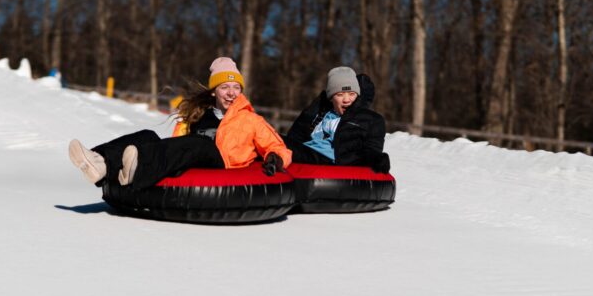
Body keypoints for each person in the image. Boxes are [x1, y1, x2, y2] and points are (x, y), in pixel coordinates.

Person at [68, 57, 292, 191]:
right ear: (215, 91)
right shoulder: (197, 114)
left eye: (236, 88)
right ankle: (101, 161)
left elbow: (278, 147)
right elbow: (176, 144)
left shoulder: (251, 120)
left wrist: (275, 158)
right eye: (225, 87)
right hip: (190, 157)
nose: (231, 93)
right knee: (148, 136)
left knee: (200, 144)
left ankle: (138, 167)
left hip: (222, 164)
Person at [282, 66, 391, 173]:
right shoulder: (321, 112)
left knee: (276, 142)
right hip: (304, 153)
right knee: (272, 138)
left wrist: (376, 158)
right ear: (331, 97)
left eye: (352, 94)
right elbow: (296, 135)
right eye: (340, 94)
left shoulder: (368, 119)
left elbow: (370, 148)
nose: (346, 100)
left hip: (326, 159)